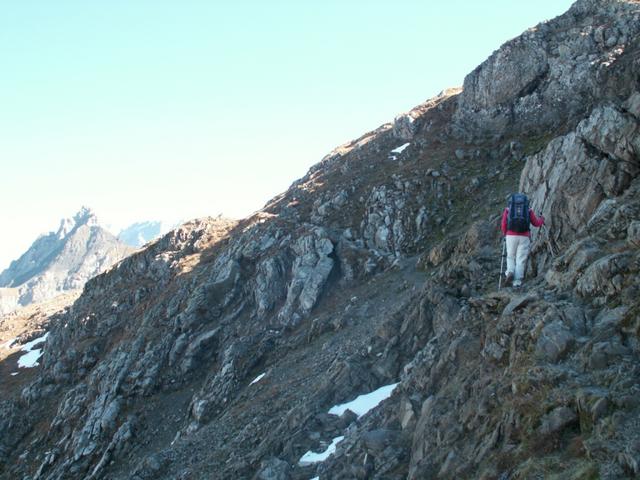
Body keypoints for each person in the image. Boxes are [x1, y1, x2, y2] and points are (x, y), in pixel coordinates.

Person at [501, 193, 544, 287]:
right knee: (521, 259)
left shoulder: (508, 209)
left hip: (511, 236)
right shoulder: (528, 210)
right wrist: (542, 219)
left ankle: (510, 271)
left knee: (510, 256)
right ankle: (517, 282)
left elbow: (503, 224)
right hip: (524, 237)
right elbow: (536, 223)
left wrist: (505, 233)